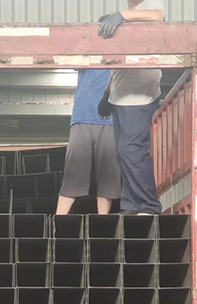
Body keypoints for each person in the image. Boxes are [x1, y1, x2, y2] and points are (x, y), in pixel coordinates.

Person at [98, 0, 165, 215]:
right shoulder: (127, 16)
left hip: (139, 96)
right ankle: (131, 204)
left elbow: (158, 16)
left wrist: (122, 16)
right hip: (120, 97)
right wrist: (107, 93)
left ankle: (149, 205)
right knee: (122, 153)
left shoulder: (149, 5)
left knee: (132, 150)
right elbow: (117, 64)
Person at [56, 68, 121, 215]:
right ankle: (58, 221)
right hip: (82, 116)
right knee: (73, 171)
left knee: (108, 174)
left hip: (110, 119)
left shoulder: (119, 57)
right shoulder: (89, 55)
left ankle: (102, 222)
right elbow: (74, 61)